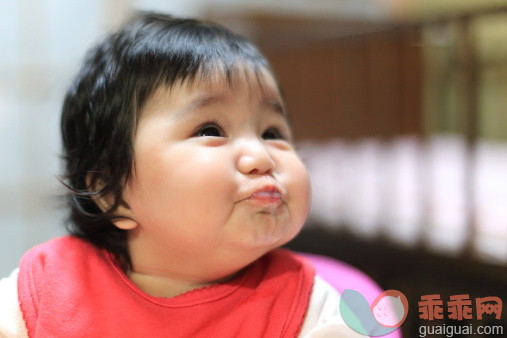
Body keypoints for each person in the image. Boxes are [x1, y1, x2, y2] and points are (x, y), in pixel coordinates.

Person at [0, 11, 365, 337]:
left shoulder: (311, 307)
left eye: (272, 132)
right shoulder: (44, 293)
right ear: (113, 194)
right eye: (210, 130)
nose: (261, 155)